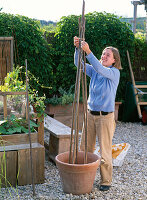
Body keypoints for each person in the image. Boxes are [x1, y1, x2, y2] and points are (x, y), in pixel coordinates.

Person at [74, 36, 122, 191]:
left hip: (105, 117)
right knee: (85, 147)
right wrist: (77, 49)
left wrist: (88, 52)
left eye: (108, 55)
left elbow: (101, 68)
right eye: (103, 53)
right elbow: (78, 65)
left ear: (114, 60)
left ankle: (106, 181)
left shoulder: (114, 73)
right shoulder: (95, 70)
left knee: (104, 150)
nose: (104, 56)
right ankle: (85, 175)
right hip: (90, 115)